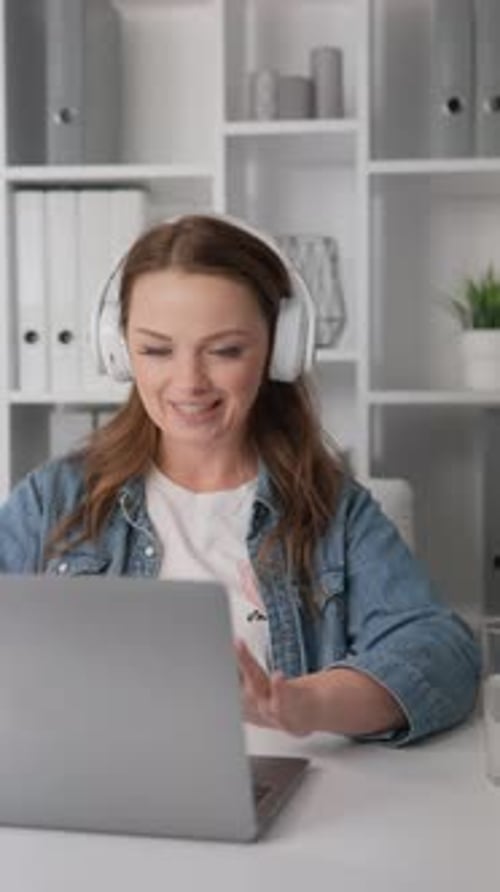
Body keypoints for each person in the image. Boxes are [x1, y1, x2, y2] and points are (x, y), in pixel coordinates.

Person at [0, 213, 480, 745]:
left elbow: (442, 653)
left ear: (280, 350)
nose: (189, 382)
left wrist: (307, 703)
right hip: (93, 779)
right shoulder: (54, 499)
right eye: (157, 350)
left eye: (225, 350)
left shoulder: (331, 509)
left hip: (275, 782)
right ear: (118, 351)